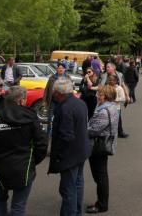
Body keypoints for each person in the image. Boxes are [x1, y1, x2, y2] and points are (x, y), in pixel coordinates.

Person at [0, 86, 48, 216]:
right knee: (18, 206)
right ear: (21, 101)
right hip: (24, 168)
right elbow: (42, 144)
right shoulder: (32, 118)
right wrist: (32, 161)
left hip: (1, 168)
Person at [48, 79, 91, 216]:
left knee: (68, 189)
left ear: (59, 93)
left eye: (54, 91)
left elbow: (66, 136)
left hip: (70, 155)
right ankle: (77, 212)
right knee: (77, 184)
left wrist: (58, 157)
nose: (53, 93)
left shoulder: (65, 108)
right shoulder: (80, 103)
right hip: (81, 151)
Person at [86, 85, 119, 214]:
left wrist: (82, 129)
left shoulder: (104, 111)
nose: (97, 95)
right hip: (102, 144)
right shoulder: (110, 107)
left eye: (99, 94)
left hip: (99, 146)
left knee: (100, 175)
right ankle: (101, 202)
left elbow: (93, 130)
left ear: (104, 96)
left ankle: (102, 205)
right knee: (100, 175)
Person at [107, 74, 129, 139]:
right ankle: (110, 134)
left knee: (118, 121)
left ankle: (120, 132)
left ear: (116, 81)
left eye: (112, 80)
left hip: (116, 108)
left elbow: (123, 98)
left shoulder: (119, 88)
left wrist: (115, 100)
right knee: (108, 121)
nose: (110, 81)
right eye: (109, 80)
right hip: (107, 107)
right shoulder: (106, 87)